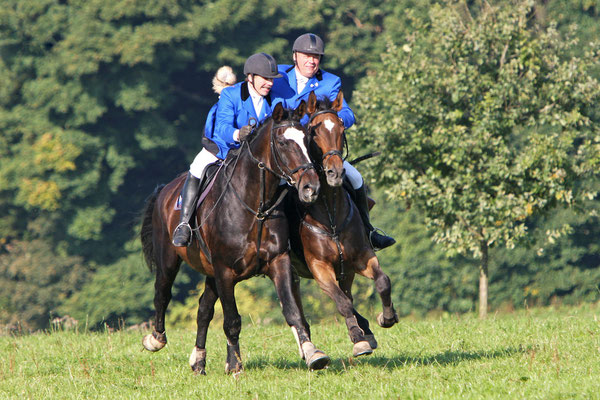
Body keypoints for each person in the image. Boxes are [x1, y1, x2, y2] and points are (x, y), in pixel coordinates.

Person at [271, 33, 395, 250]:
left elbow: (347, 112)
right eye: (306, 55)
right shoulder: (278, 75)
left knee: (356, 177)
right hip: (286, 152)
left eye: (316, 56)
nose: (311, 60)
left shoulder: (329, 82)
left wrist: (335, 120)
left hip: (317, 150)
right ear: (295, 56)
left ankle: (368, 231)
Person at [172, 53, 283, 247]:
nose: (270, 84)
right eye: (265, 79)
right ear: (250, 77)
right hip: (224, 149)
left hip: (256, 157)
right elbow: (222, 127)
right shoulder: (231, 94)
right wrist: (237, 134)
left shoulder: (274, 100)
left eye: (271, 79)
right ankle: (184, 224)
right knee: (197, 167)